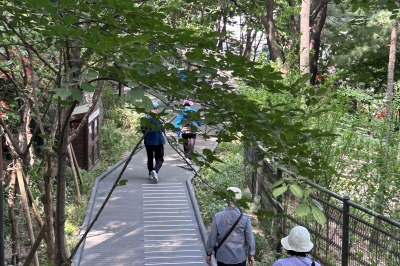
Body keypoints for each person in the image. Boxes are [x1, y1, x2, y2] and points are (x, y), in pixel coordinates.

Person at [205, 187, 255, 266]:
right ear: (239, 200)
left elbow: (212, 237)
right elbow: (249, 238)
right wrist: (251, 254)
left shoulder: (218, 216)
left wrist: (209, 253)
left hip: (223, 257)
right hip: (240, 258)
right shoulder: (244, 218)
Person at [140, 101, 165, 184]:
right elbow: (162, 128)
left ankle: (150, 173)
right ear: (156, 109)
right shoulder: (159, 118)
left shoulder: (144, 118)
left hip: (148, 142)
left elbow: (143, 130)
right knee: (159, 159)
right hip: (158, 141)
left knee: (150, 158)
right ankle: (155, 171)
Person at [173, 98, 202, 164]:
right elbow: (198, 120)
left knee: (185, 143)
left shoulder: (181, 111)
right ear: (190, 104)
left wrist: (176, 128)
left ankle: (186, 156)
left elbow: (178, 121)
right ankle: (188, 157)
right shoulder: (194, 111)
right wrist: (199, 124)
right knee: (191, 144)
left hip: (184, 130)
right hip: (193, 130)